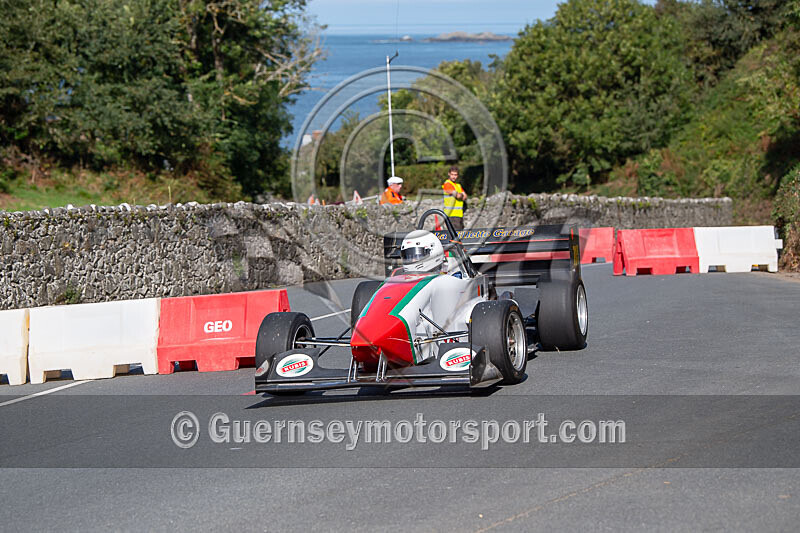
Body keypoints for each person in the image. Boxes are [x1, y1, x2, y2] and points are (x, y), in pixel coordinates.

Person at [442, 165, 467, 230]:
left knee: (460, 235)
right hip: (451, 215)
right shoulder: (447, 184)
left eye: (455, 175)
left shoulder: (458, 185)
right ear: (449, 174)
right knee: (455, 236)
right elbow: (459, 196)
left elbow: (465, 196)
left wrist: (459, 195)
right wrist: (460, 195)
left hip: (459, 215)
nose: (454, 177)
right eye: (452, 174)